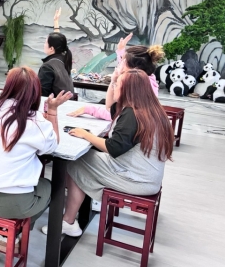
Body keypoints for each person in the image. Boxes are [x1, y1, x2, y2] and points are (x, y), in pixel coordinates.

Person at [42, 69, 174, 237]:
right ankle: (73, 214)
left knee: (75, 160)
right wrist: (114, 80)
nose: (114, 86)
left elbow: (113, 148)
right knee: (85, 158)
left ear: (128, 90)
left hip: (136, 179)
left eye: (117, 84)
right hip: (148, 177)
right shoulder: (149, 109)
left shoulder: (132, 114)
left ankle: (68, 221)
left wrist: (86, 135)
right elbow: (111, 108)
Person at [0, 66, 73, 251]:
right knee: (50, 187)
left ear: (7, 86)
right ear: (35, 92)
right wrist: (52, 111)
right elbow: (52, 145)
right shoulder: (35, 122)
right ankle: (12, 233)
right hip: (14, 203)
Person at [68, 33, 164, 121]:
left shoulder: (135, 86)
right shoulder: (146, 78)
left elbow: (114, 113)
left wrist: (89, 109)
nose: (120, 63)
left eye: (124, 61)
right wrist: (121, 50)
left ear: (134, 68)